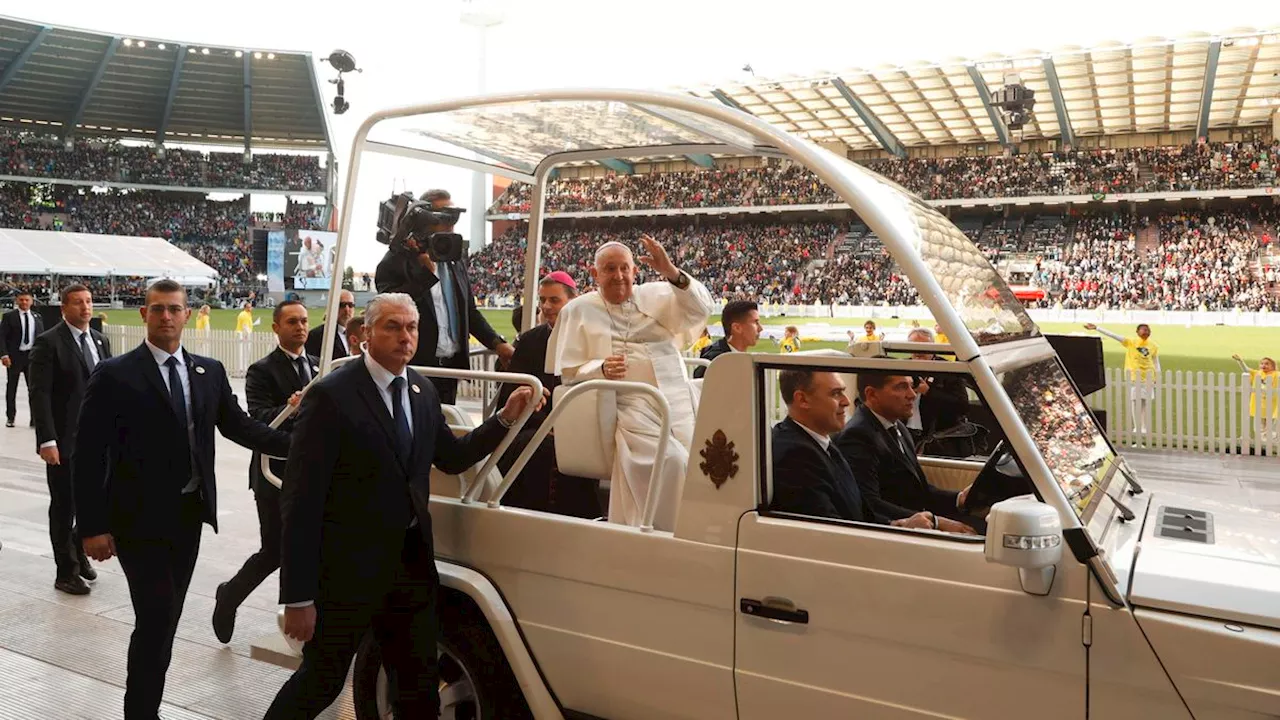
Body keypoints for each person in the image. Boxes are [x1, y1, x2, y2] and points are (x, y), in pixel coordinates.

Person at [263, 293, 544, 719]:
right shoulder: (332, 396)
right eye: (393, 327)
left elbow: (451, 457)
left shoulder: (422, 391)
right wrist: (298, 595)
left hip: (409, 568)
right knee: (321, 681)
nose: (404, 337)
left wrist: (503, 419)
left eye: (411, 328)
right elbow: (300, 500)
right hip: (346, 572)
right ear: (366, 334)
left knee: (417, 692)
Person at [72, 279, 291, 720]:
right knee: (155, 620)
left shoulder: (207, 371)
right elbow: (87, 452)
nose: (167, 317)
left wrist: (298, 443)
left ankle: (144, 705)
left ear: (188, 314)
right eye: (158, 309)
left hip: (187, 518)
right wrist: (92, 527)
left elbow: (239, 427)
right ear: (144, 315)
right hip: (136, 522)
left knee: (165, 620)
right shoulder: (116, 374)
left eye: (174, 309)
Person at [547, 235, 714, 530]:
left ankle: (698, 530)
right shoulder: (579, 310)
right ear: (594, 274)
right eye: (610, 269)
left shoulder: (658, 295)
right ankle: (661, 532)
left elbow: (701, 309)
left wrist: (671, 271)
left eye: (625, 268)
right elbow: (568, 372)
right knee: (671, 460)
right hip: (629, 402)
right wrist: (599, 367)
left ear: (635, 271)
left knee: (708, 460)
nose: (619, 276)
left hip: (677, 394)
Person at [213, 300, 318, 644]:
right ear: (275, 328)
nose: (300, 327)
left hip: (311, 474)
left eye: (303, 321)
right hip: (273, 473)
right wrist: (293, 407)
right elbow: (257, 418)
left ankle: (300, 622)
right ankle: (230, 596)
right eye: (292, 322)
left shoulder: (319, 367)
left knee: (306, 547)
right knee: (274, 550)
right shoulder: (262, 371)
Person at [375, 188, 514, 404]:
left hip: (450, 372)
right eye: (445, 218)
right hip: (413, 370)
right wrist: (424, 276)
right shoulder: (394, 261)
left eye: (454, 217)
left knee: (444, 432)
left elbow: (469, 312)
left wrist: (497, 343)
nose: (451, 224)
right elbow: (389, 312)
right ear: (423, 220)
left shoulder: (454, 260)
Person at [770, 369, 941, 531]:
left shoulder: (819, 444)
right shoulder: (795, 455)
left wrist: (897, 524)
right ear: (802, 400)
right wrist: (900, 529)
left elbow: (858, 512)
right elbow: (830, 533)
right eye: (835, 393)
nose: (846, 401)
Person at [28, 284, 112, 595]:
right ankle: (65, 570)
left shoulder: (100, 341)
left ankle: (78, 549)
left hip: (99, 440)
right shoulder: (49, 343)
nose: (85, 308)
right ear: (64, 307)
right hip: (64, 440)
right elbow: (40, 393)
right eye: (78, 303)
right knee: (64, 505)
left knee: (98, 498)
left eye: (89, 301)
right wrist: (46, 439)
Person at [494, 271, 600, 517]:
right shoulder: (530, 340)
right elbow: (510, 396)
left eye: (554, 300)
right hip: (533, 426)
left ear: (572, 302)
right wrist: (545, 423)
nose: (546, 306)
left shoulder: (589, 338)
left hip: (579, 427)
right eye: (542, 300)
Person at [834, 372, 979, 533]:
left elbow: (919, 489)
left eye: (911, 386)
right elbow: (869, 504)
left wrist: (959, 499)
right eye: (902, 387)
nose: (912, 394)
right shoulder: (857, 436)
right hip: (895, 532)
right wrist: (935, 522)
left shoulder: (897, 427)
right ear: (872, 394)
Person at [903, 327, 973, 456]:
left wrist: (929, 392)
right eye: (913, 346)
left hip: (938, 439)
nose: (918, 352)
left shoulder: (948, 370)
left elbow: (962, 406)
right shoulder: (900, 368)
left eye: (923, 347)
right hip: (905, 434)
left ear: (933, 347)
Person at [1084, 323, 1160, 435]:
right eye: (1144, 330)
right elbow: (1114, 336)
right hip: (1134, 377)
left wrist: (1157, 377)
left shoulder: (1153, 346)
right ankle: (1137, 427)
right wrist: (1097, 328)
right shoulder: (1131, 342)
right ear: (1137, 332)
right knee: (1135, 402)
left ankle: (1144, 427)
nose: (1146, 332)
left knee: (1146, 403)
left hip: (1148, 377)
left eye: (1148, 330)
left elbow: (1156, 362)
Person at [1, 290, 43, 427]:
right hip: (15, 356)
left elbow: (41, 338)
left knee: (33, 388)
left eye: (27, 300)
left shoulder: (37, 317)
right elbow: (2, 337)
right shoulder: (9, 317)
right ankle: (11, 417)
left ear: (31, 301)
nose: (24, 302)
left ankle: (34, 418)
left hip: (31, 357)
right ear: (17, 301)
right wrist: (4, 354)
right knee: (12, 387)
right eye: (21, 300)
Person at [694, 299, 762, 379]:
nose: (760, 328)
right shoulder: (715, 361)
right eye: (755, 323)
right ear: (737, 328)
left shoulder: (735, 357)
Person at [1232, 353, 1278, 438]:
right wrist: (1240, 361)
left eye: (1267, 364)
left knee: (1270, 427)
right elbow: (1246, 370)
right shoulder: (1257, 373)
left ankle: (1270, 442)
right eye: (1262, 363)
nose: (1264, 365)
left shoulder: (1276, 374)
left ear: (1273, 366)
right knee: (1258, 427)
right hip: (1258, 406)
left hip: (1272, 406)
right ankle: (1262, 444)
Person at [305, 289, 356, 360]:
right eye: (342, 305)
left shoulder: (360, 333)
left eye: (350, 305)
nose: (347, 310)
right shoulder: (317, 335)